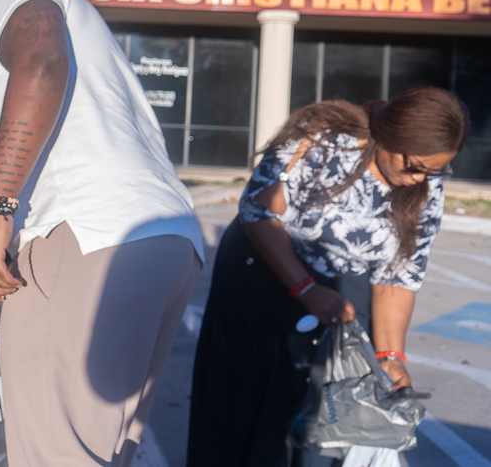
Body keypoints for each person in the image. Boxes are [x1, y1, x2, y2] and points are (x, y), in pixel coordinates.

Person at [0, 0, 205, 467]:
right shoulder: (94, 36)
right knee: (103, 450)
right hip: (169, 241)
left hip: (89, 235)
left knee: (55, 457)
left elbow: (42, 60)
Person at [187, 86, 469, 467]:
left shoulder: (424, 190)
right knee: (251, 416)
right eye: (415, 165)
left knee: (327, 423)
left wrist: (390, 356)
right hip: (264, 280)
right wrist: (306, 290)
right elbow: (259, 212)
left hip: (342, 297)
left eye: (435, 170)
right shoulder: (322, 142)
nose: (420, 178)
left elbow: (398, 277)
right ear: (390, 136)